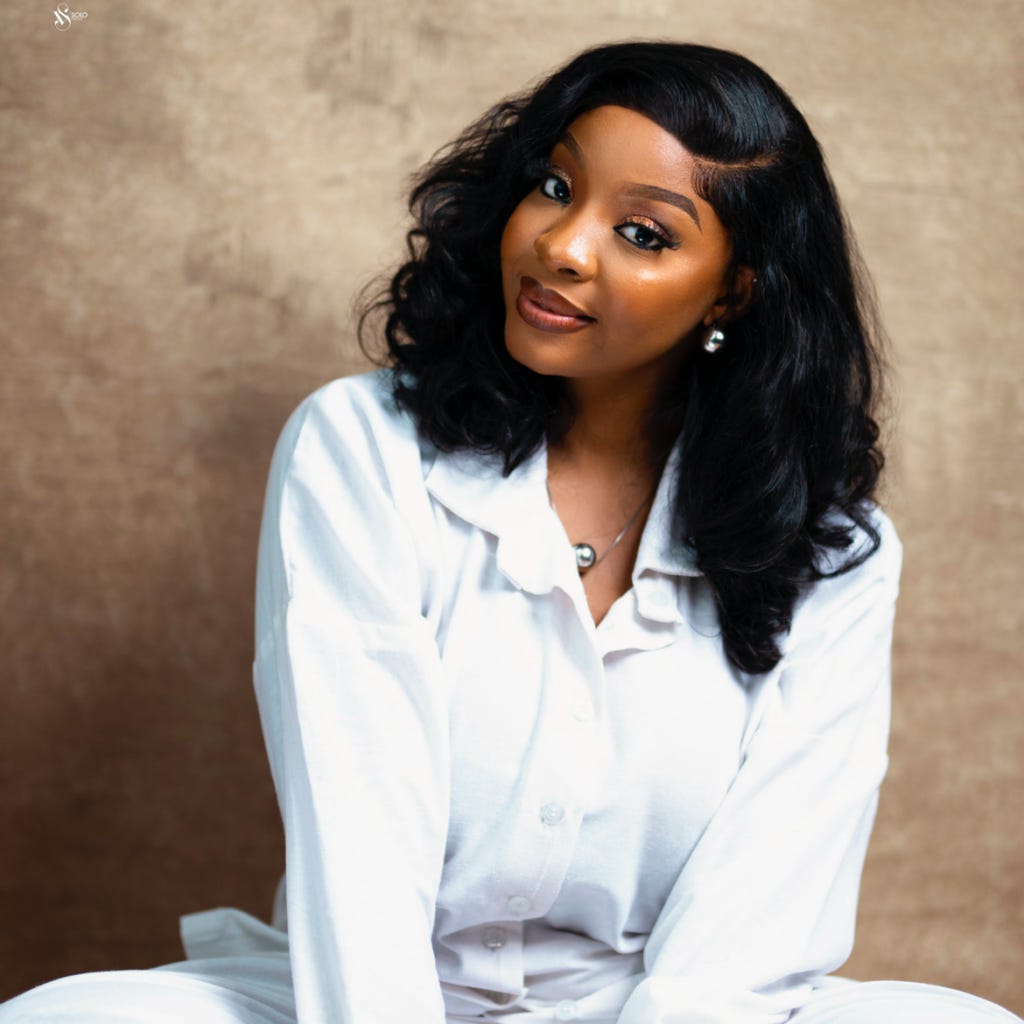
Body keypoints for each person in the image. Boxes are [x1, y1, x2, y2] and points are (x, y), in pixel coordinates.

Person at [1, 40, 1019, 1024]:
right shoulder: (359, 449)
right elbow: (360, 856)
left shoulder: (832, 550)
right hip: (370, 996)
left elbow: (757, 919)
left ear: (733, 290)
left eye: (644, 233)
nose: (561, 246)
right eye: (554, 186)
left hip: (659, 1003)